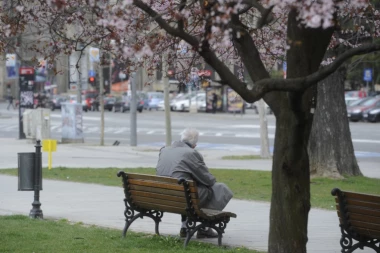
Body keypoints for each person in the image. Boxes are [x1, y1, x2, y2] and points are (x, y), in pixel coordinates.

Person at [156, 128, 233, 239]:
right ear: (195, 144)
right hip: (182, 196)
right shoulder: (191, 153)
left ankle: (185, 226)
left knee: (186, 190)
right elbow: (208, 180)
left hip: (163, 196)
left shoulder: (165, 150)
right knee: (219, 189)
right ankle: (204, 228)